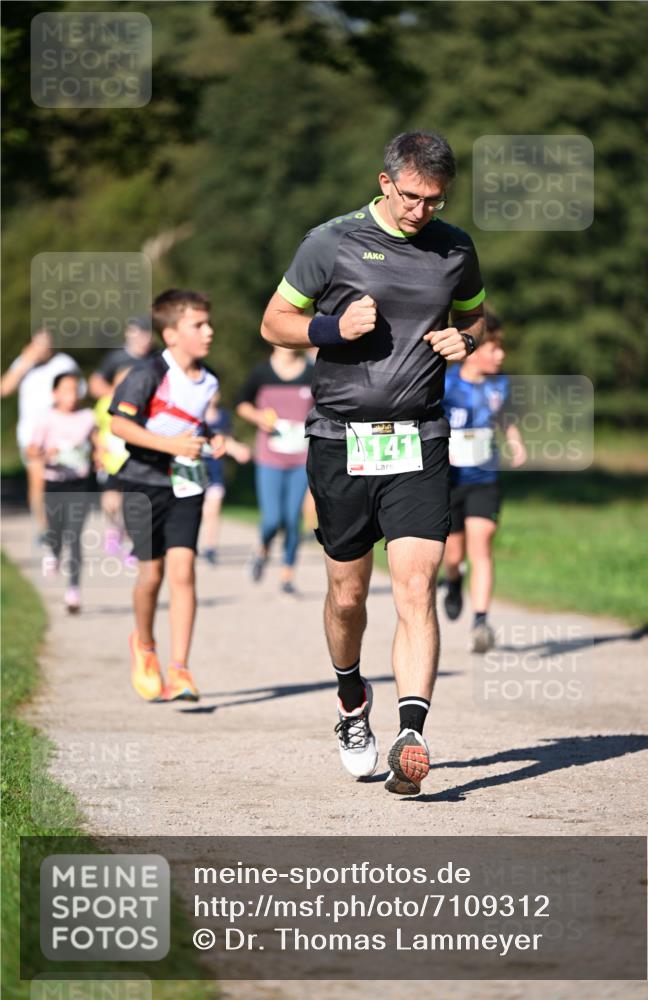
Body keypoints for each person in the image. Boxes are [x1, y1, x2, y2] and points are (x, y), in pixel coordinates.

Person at [260, 131, 486, 794]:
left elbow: (476, 315)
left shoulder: (455, 247)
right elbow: (273, 322)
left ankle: (410, 732)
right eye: (411, 196)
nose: (421, 211)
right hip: (340, 439)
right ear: (385, 182)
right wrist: (332, 330)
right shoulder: (328, 242)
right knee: (348, 595)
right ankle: (350, 699)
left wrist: (462, 339)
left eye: (434, 200)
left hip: (419, 438)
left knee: (416, 587)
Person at [109, 289, 226, 703]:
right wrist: (172, 446)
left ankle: (180, 669)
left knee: (183, 572)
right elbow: (120, 426)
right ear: (172, 334)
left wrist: (213, 438)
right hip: (143, 483)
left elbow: (190, 423)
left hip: (186, 486)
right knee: (151, 576)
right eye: (199, 325)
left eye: (208, 323)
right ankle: (144, 645)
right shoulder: (146, 374)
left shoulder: (209, 378)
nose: (209, 331)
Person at [441, 311, 527, 652]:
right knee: (453, 552)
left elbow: (504, 416)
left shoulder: (500, 385)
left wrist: (515, 439)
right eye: (494, 348)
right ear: (473, 349)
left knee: (483, 544)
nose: (500, 355)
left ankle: (480, 621)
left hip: (484, 477)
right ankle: (452, 580)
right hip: (450, 480)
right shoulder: (446, 382)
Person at [235, 346, 314, 594]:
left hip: (301, 457)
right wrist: (258, 417)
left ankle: (287, 576)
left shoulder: (313, 372)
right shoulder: (261, 372)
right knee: (272, 520)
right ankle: (262, 549)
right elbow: (241, 403)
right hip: (270, 457)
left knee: (292, 519)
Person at [27, 371, 95, 613]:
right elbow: (32, 451)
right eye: (65, 390)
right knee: (55, 532)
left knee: (75, 536)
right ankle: (53, 553)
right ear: (55, 393)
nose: (71, 395)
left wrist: (100, 456)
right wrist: (48, 454)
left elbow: (97, 446)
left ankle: (74, 591)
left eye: (75, 389)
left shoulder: (88, 417)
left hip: (81, 484)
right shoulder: (46, 418)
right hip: (54, 482)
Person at [1, 329, 80, 533]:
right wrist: (25, 362)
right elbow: (4, 389)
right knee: (37, 481)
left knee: (60, 480)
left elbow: (78, 393)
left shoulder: (65, 363)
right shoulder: (23, 362)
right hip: (30, 433)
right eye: (38, 343)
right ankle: (45, 528)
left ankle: (62, 523)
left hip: (59, 433)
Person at [199, 392, 251, 565]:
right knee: (195, 511)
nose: (212, 396)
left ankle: (210, 548)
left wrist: (237, 450)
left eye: (215, 392)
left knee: (212, 512)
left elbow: (227, 441)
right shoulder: (194, 414)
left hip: (216, 471)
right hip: (194, 471)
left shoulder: (224, 417)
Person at [92, 366, 134, 562]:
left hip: (132, 461)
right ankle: (113, 529)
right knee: (110, 502)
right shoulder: (104, 403)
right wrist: (98, 451)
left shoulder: (138, 403)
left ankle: (133, 542)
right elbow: (97, 429)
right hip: (110, 461)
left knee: (130, 504)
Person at [88, 316, 156, 399]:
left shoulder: (157, 357)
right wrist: (115, 394)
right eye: (141, 336)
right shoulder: (116, 357)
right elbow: (95, 384)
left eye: (148, 336)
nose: (145, 340)